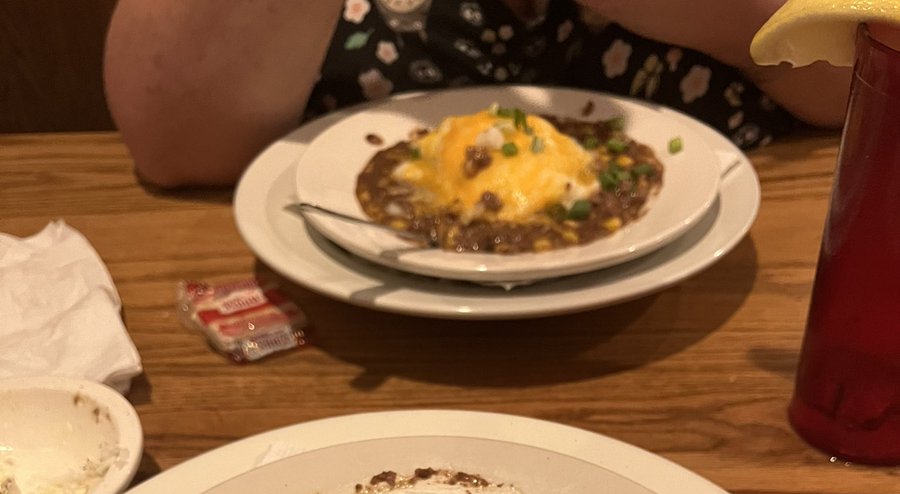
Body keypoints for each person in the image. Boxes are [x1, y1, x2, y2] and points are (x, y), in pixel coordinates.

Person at [104, 0, 850, 188]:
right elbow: (174, 148)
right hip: (337, 327)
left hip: (720, 314)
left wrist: (738, 21)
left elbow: (861, 91)